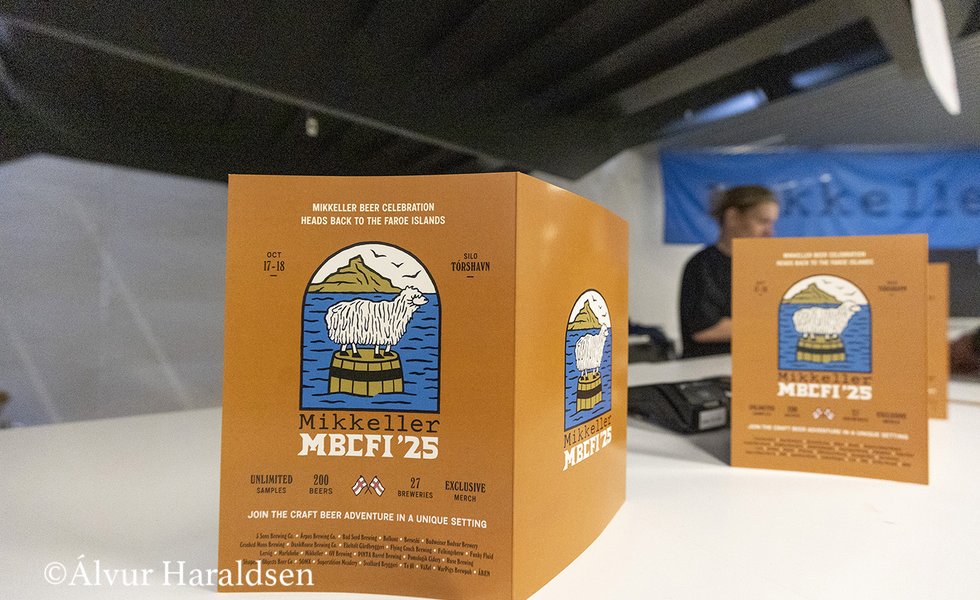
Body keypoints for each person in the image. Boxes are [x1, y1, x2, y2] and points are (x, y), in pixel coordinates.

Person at [679, 185, 779, 358]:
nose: (769, 232)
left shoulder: (765, 266)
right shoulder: (703, 265)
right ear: (732, 217)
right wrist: (775, 326)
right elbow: (705, 329)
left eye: (772, 223)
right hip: (709, 366)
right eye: (762, 222)